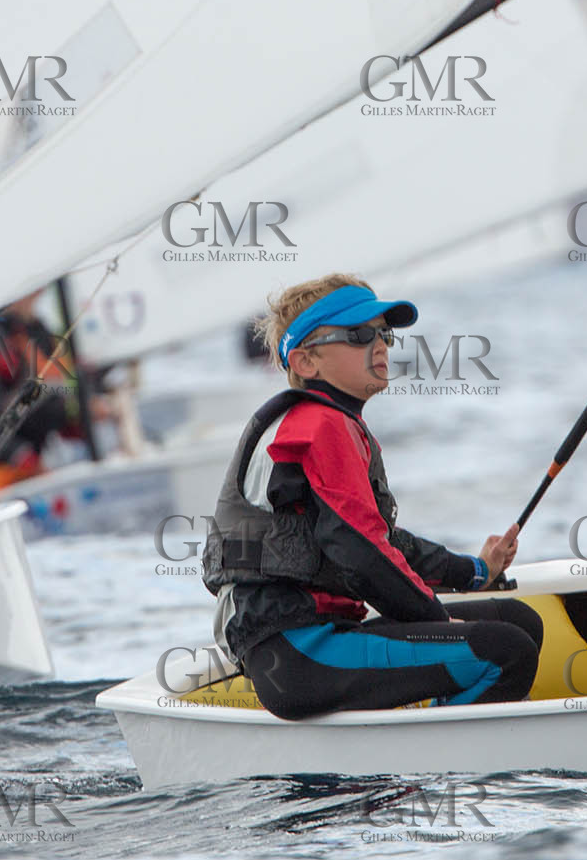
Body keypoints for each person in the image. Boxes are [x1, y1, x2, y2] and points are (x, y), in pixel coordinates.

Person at [204, 273, 542, 719]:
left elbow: (381, 542)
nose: (380, 345)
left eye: (383, 334)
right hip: (299, 654)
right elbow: (361, 553)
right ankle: (440, 773)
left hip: (305, 645)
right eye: (359, 335)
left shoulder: (326, 423)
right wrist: (440, 623)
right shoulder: (321, 426)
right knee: (506, 650)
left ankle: (435, 724)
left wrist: (476, 570)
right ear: (306, 362)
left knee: (518, 621)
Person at [0, 291, 104, 494]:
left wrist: (84, 411)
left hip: (35, 473)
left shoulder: (38, 333)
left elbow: (53, 403)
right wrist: (21, 455)